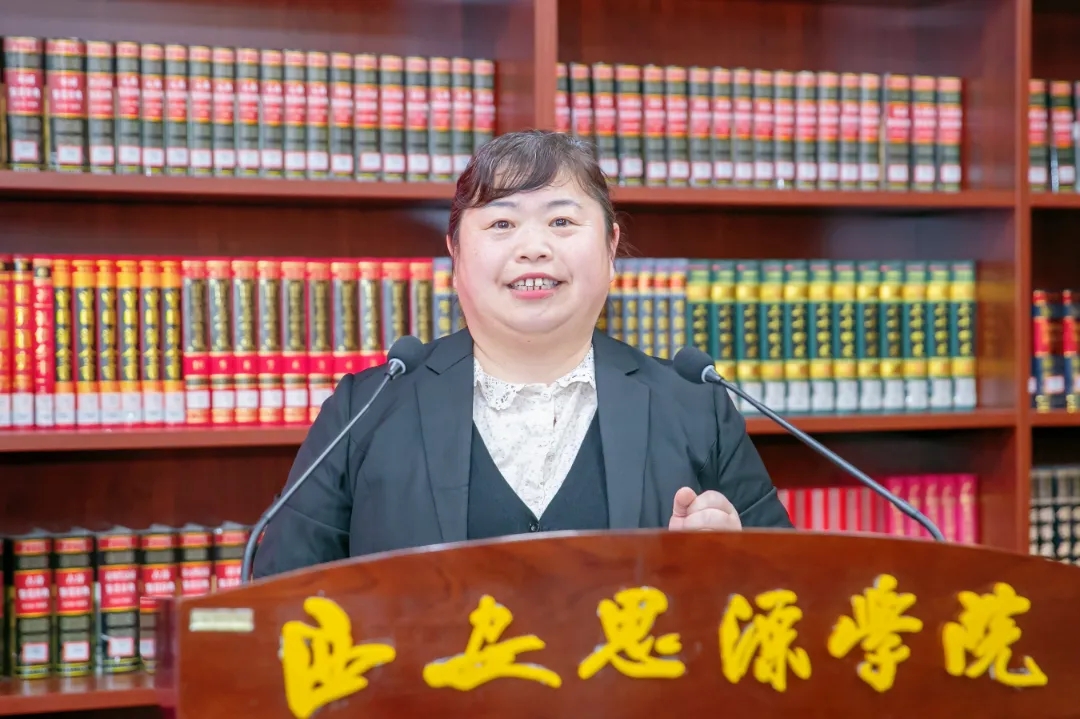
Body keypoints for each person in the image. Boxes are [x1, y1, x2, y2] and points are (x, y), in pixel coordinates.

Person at [252, 129, 792, 579]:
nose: (533, 248)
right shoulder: (365, 411)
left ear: (610, 249)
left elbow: (791, 595)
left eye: (562, 222)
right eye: (501, 224)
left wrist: (736, 565)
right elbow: (276, 599)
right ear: (455, 254)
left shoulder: (696, 408)